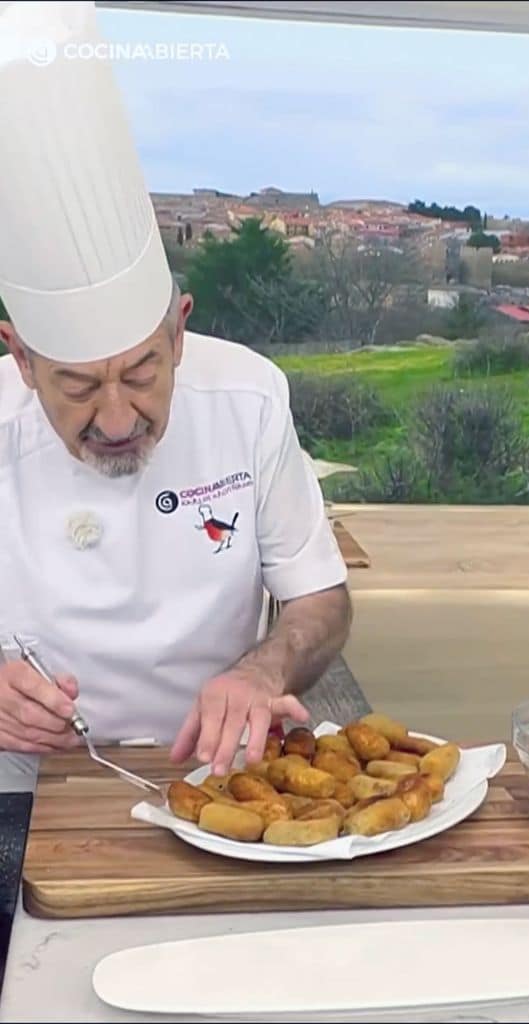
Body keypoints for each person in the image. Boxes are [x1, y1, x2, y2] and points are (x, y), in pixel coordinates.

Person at [0, 1, 351, 779]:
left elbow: (321, 602)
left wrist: (265, 670)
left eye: (142, 371)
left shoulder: (250, 396)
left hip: (220, 773)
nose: (119, 417)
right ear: (20, 359)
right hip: (21, 786)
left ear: (179, 331)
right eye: (78, 385)